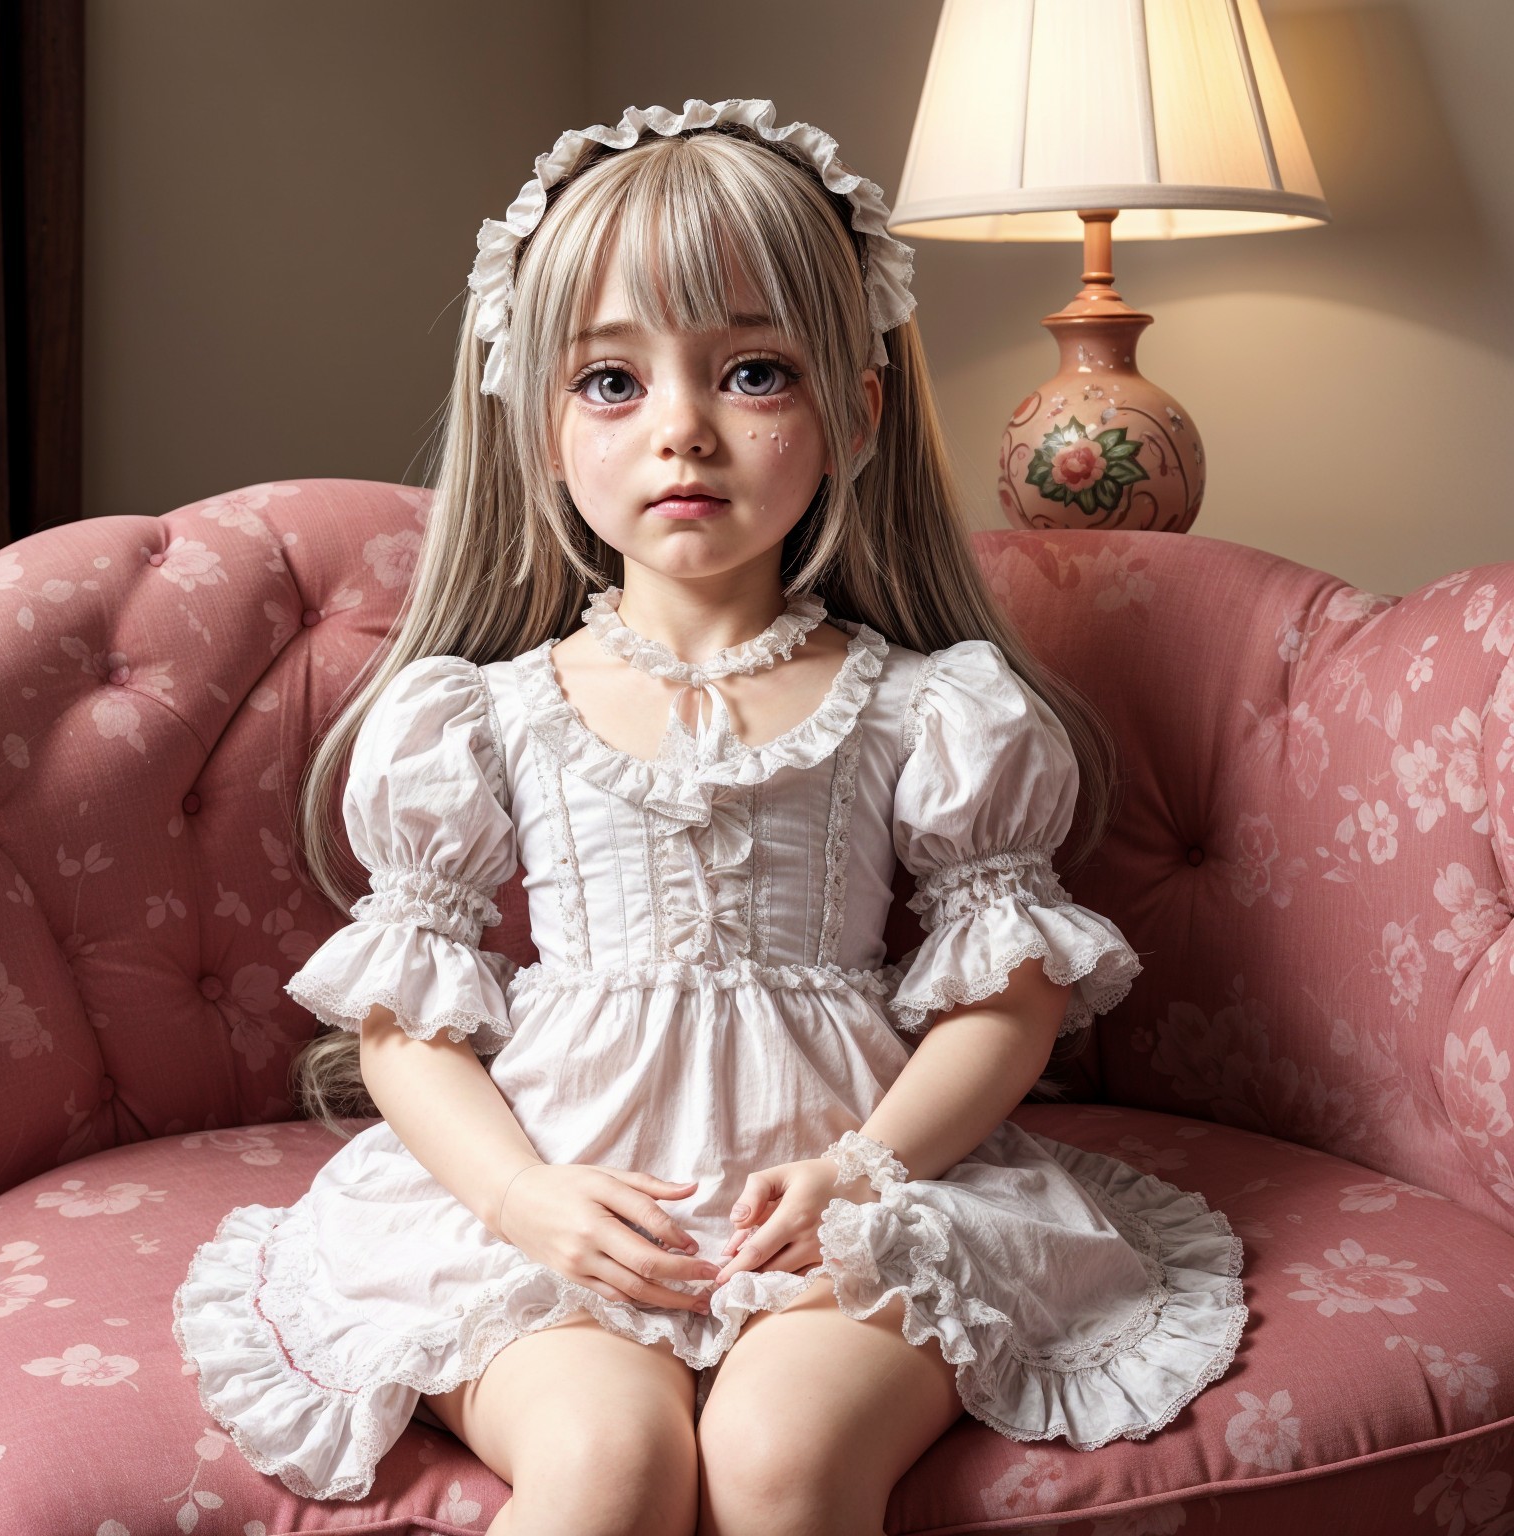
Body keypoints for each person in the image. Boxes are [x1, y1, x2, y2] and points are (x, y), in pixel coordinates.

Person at [171, 98, 1247, 1534]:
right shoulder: (482, 714)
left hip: (852, 1200)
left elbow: (1010, 993)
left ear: (856, 411)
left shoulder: (931, 707)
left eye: (752, 373)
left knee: (780, 1464)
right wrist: (521, 1198)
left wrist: (866, 1171)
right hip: (566, 1198)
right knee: (605, 1466)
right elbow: (406, 1020)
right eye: (610, 382)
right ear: (541, 425)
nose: (681, 430)